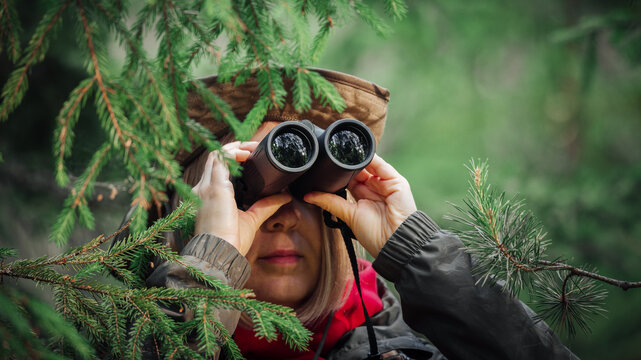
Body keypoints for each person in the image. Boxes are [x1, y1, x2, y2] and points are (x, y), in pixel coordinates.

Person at [121, 69, 579, 359]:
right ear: (192, 217)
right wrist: (208, 266)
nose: (281, 217)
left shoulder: (415, 352)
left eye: (304, 188)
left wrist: (418, 253)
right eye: (245, 190)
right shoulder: (103, 339)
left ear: (335, 212)